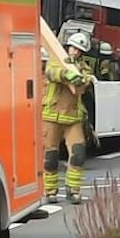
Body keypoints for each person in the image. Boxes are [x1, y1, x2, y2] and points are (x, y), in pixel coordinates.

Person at [43, 29, 96, 204]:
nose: (75, 52)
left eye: (79, 51)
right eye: (73, 48)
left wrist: (84, 79)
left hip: (73, 118)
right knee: (50, 157)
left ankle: (73, 190)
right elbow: (51, 73)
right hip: (51, 115)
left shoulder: (82, 67)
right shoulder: (55, 61)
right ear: (67, 46)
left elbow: (87, 78)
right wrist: (66, 74)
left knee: (78, 153)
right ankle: (50, 190)